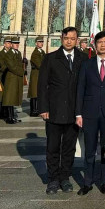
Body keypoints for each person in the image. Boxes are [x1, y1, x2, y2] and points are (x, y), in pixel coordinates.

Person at [39, 27, 86, 195]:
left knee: (69, 147)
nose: (69, 41)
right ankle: (52, 179)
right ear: (61, 38)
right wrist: (43, 108)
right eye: (66, 38)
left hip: (74, 111)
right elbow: (43, 85)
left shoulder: (82, 58)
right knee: (52, 146)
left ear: (77, 39)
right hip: (54, 110)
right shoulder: (51, 58)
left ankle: (65, 177)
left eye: (72, 38)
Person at [76, 30, 105, 194]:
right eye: (99, 42)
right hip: (90, 113)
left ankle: (104, 181)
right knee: (89, 149)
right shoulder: (86, 64)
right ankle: (87, 182)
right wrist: (78, 113)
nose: (102, 45)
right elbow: (80, 89)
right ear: (94, 45)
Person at [2, 37, 25, 124]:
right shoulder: (9, 54)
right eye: (15, 43)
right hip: (11, 78)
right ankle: (9, 117)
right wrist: (22, 72)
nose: (17, 45)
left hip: (17, 78)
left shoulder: (18, 53)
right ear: (11, 44)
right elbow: (11, 66)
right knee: (9, 98)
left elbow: (19, 65)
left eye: (18, 43)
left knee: (13, 98)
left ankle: (12, 117)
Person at [0, 37, 13, 119]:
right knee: (2, 95)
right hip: (4, 75)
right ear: (4, 44)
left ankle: (7, 112)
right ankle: (1, 112)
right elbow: (1, 66)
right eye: (8, 43)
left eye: (10, 43)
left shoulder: (12, 53)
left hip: (11, 75)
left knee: (9, 94)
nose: (9, 44)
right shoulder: (1, 53)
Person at [28, 37, 45, 117]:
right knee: (34, 93)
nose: (41, 43)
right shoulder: (35, 53)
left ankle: (37, 109)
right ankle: (33, 110)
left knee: (38, 93)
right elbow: (40, 65)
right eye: (40, 42)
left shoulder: (42, 52)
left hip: (40, 75)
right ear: (36, 43)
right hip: (36, 75)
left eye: (42, 42)